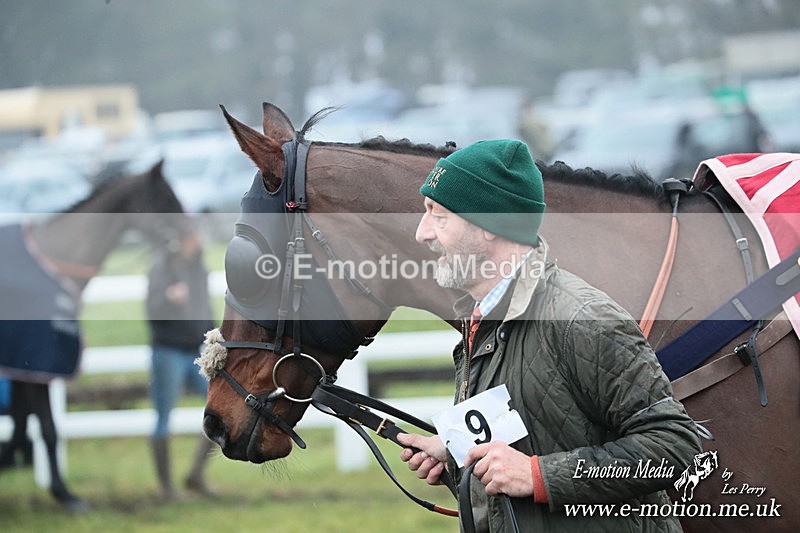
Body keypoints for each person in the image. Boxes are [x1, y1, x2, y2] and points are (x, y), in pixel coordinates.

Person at [397, 139, 702, 531]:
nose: (421, 233)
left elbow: (674, 445)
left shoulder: (582, 318)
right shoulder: (483, 317)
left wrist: (537, 475)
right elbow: (537, 430)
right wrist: (457, 453)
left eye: (439, 216)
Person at [146, 230, 217, 501]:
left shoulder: (198, 268)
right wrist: (168, 299)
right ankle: (167, 489)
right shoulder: (162, 267)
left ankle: (195, 475)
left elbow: (205, 307)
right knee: (163, 418)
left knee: (219, 410)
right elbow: (151, 309)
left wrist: (215, 336)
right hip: (168, 351)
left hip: (193, 351)